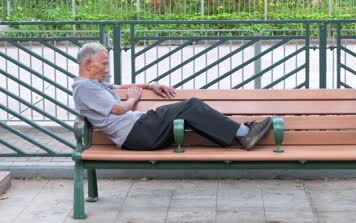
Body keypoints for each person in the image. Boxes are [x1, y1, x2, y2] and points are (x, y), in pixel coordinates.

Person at [72, 43, 272, 151]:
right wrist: (131, 100)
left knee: (189, 114)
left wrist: (151, 85)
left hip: (140, 130)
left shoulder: (94, 84)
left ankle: (239, 136)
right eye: (104, 64)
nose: (107, 70)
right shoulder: (84, 88)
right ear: (88, 64)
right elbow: (118, 109)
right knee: (191, 105)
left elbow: (121, 86)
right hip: (137, 134)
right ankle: (245, 133)